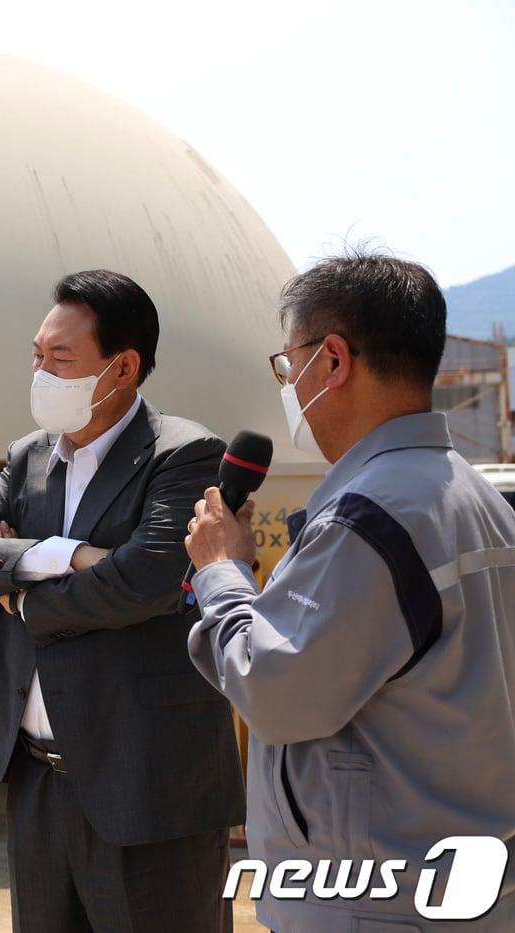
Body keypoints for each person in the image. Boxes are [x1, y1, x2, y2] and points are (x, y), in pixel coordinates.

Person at [186, 252, 515, 931]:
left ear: (332, 361)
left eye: (289, 363)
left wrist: (220, 572)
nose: (289, 384)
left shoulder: (369, 518)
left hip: (373, 901)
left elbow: (277, 692)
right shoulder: (476, 497)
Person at [0, 270, 245, 932]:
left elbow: (142, 581)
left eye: (60, 358)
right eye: (37, 355)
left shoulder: (185, 454)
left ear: (123, 368)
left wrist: (21, 594)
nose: (41, 372)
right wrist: (64, 555)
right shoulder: (27, 458)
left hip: (146, 782)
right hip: (39, 781)